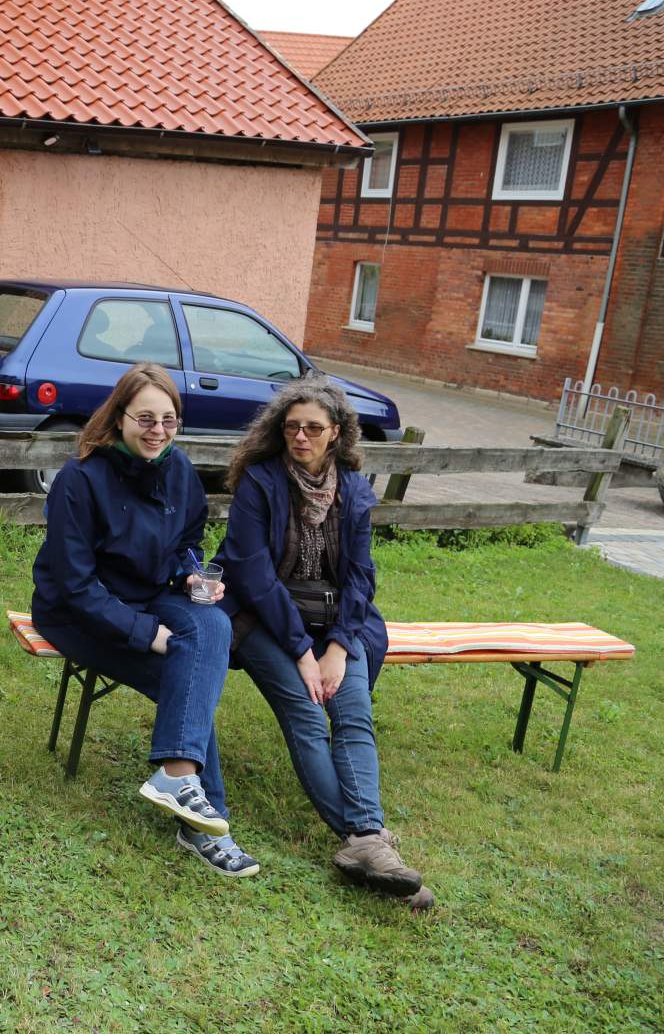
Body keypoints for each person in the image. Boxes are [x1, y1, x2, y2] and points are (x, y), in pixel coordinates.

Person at [31, 363, 257, 876]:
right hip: (75, 613)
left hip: (150, 593)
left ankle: (176, 776)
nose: (158, 431)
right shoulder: (79, 480)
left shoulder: (178, 471)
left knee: (214, 626)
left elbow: (186, 544)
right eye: (146, 418)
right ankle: (205, 823)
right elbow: (75, 585)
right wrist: (147, 635)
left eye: (169, 420)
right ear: (119, 417)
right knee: (187, 673)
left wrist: (193, 577)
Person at [217, 376, 431, 909]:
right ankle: (372, 844)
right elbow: (252, 575)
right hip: (264, 619)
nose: (301, 437)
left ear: (336, 432)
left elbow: (360, 576)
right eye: (292, 427)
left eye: (313, 428)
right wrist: (300, 651)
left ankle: (364, 841)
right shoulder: (259, 484)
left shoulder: (354, 491)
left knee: (353, 714)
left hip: (337, 623)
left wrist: (336, 647)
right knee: (309, 717)